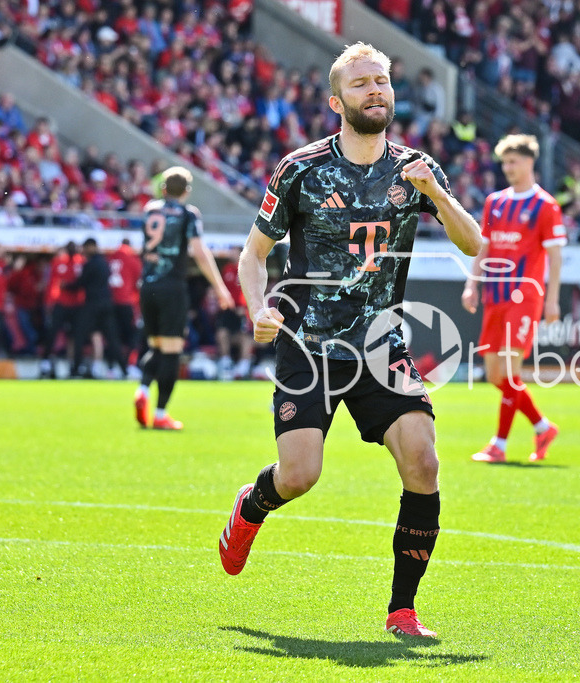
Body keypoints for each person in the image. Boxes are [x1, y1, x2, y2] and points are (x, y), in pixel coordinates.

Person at [218, 43, 481, 639]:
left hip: (382, 346)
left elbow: (474, 244)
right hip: (308, 345)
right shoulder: (301, 169)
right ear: (338, 101)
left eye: (382, 81)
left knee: (424, 461)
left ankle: (403, 610)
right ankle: (250, 506)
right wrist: (257, 307)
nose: (375, 91)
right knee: (299, 476)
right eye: (361, 84)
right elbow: (253, 254)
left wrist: (435, 193)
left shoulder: (418, 167)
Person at [461, 134, 565, 463]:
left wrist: (552, 300)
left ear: (529, 162)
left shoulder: (546, 206)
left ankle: (500, 445)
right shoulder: (496, 201)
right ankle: (542, 426)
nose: (508, 168)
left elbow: (555, 257)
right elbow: (484, 246)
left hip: (525, 297)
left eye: (513, 161)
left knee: (509, 371)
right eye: (504, 162)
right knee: (495, 375)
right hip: (495, 295)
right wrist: (471, 283)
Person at [133, 166, 234, 430]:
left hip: (147, 285)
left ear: (163, 189)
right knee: (172, 352)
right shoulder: (189, 214)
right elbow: (199, 252)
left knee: (155, 347)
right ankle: (160, 413)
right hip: (172, 287)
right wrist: (220, 286)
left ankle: (142, 390)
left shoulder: (149, 210)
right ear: (187, 191)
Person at [66, 238, 125, 379]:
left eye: (86, 248)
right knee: (111, 338)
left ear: (91, 247)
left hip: (93, 304)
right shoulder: (105, 262)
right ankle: (124, 368)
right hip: (106, 304)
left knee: (79, 335)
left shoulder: (91, 264)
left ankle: (76, 369)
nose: (84, 251)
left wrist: (66, 286)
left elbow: (81, 283)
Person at [40, 242, 84, 378]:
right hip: (61, 303)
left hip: (76, 305)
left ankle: (74, 364)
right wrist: (49, 302)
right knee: (52, 333)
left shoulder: (81, 262)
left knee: (75, 336)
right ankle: (46, 361)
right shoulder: (58, 262)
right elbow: (52, 284)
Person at [107, 238, 143, 377]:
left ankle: (111, 367)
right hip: (127, 303)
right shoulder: (132, 259)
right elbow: (138, 284)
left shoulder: (110, 257)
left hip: (110, 303)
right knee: (133, 336)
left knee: (113, 336)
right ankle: (129, 366)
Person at [216, 248, 254, 380]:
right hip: (228, 309)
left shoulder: (246, 268)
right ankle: (226, 363)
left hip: (243, 310)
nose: (230, 253)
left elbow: (250, 289)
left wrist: (244, 307)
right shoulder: (227, 269)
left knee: (245, 336)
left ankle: (243, 366)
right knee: (222, 333)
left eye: (233, 250)